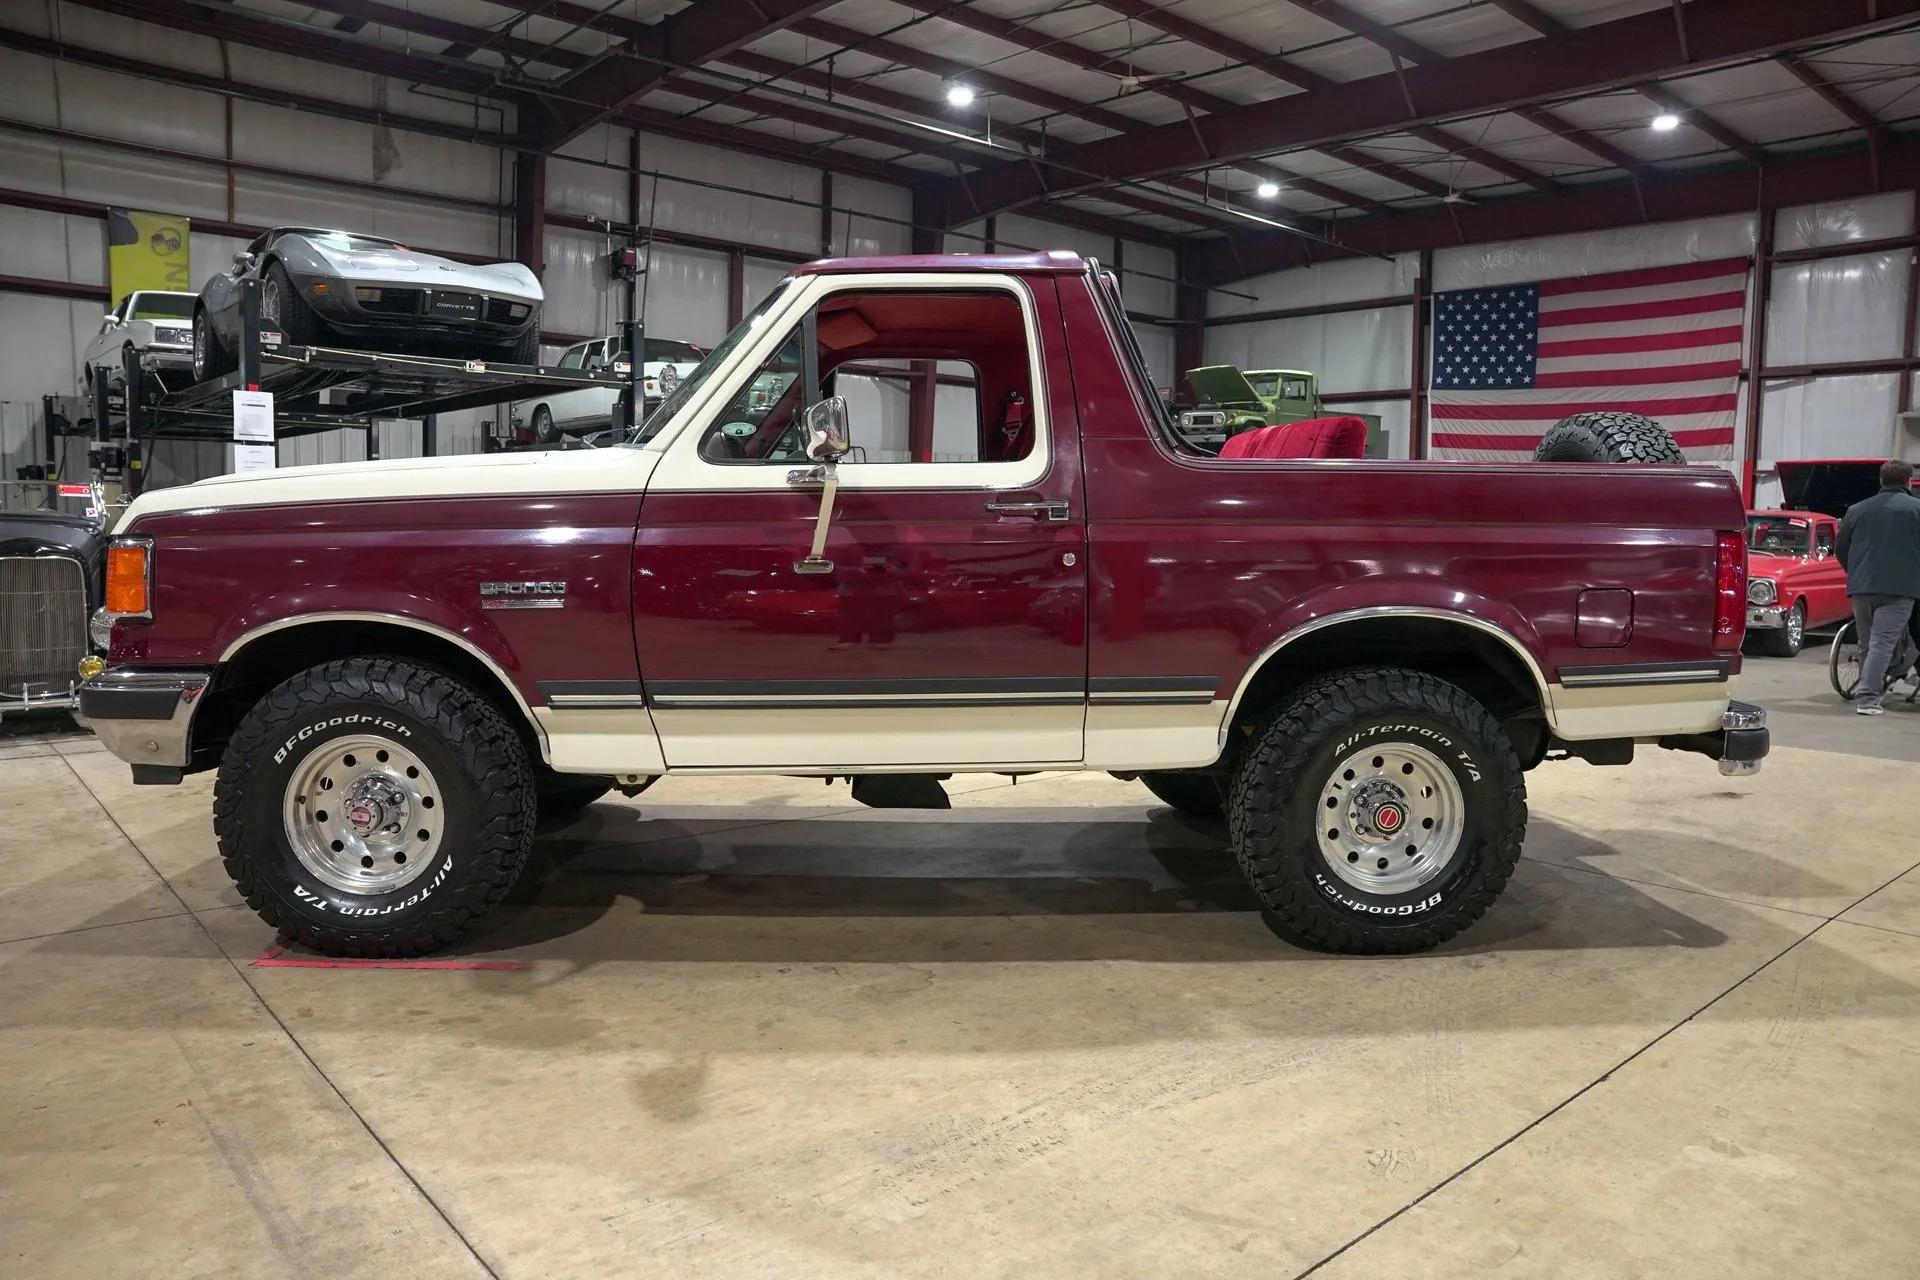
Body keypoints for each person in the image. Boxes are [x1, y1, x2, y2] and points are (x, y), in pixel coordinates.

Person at [1835, 459, 1920, 714]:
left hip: (1862, 587)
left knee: (1866, 643)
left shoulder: (1857, 510)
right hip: (1900, 588)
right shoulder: (1916, 509)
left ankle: (1873, 687)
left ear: (1881, 480)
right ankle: (1869, 698)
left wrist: (1857, 572)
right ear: (1909, 481)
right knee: (1883, 643)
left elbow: (1841, 548)